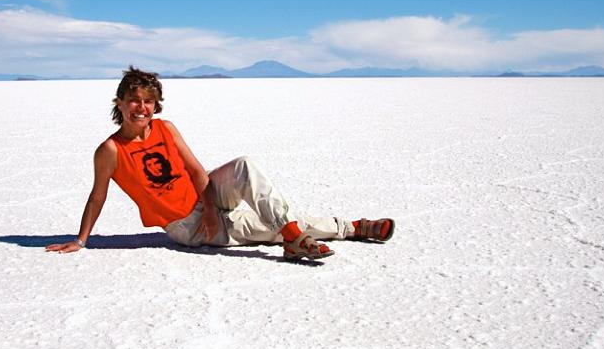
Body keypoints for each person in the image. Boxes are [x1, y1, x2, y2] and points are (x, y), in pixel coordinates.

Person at [47, 66, 394, 261]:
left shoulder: (165, 128)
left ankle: (294, 239)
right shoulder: (110, 150)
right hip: (187, 226)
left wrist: (212, 208)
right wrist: (81, 240)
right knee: (278, 226)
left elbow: (198, 172)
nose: (142, 108)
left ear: (156, 105)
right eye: (134, 101)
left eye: (149, 102)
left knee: (244, 165)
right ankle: (354, 227)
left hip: (207, 200)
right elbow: (98, 196)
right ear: (120, 103)